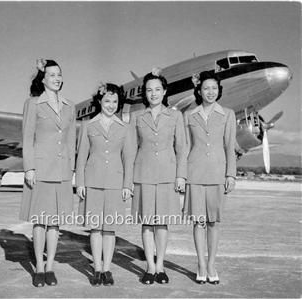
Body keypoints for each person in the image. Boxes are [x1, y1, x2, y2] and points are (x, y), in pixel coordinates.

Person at [19, 59, 76, 287]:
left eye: (59, 74)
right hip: (41, 170)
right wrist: (29, 167)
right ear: (43, 79)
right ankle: (39, 268)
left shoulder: (69, 106)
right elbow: (27, 137)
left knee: (55, 223)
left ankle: (50, 266)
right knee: (40, 222)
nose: (57, 78)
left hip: (61, 171)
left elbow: (71, 141)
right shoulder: (33, 104)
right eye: (52, 75)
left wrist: (71, 168)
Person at [130, 68, 187, 285]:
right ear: (145, 94)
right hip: (143, 175)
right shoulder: (136, 117)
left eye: (157, 89)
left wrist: (181, 176)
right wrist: (129, 181)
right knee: (146, 223)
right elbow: (130, 149)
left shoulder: (175, 116)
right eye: (149, 90)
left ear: (164, 92)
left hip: (167, 175)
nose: (153, 93)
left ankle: (161, 266)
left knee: (162, 224)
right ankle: (149, 267)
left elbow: (182, 148)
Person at [76, 83, 134, 286]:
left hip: (115, 184)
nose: (111, 105)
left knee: (109, 229)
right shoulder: (88, 125)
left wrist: (127, 185)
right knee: (95, 228)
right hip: (92, 183)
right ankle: (97, 268)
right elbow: (81, 157)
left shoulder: (125, 128)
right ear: (99, 101)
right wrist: (80, 183)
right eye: (107, 101)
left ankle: (107, 269)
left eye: (115, 101)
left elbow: (128, 158)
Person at [183, 71, 236, 285]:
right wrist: (181, 175)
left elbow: (229, 146)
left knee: (213, 222)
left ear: (219, 90)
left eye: (214, 88)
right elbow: (185, 147)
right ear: (199, 90)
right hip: (194, 174)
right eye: (206, 88)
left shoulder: (228, 114)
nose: (210, 92)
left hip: (217, 173)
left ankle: (212, 263)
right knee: (199, 222)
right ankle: (201, 265)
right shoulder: (189, 115)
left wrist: (230, 174)